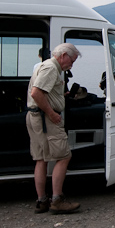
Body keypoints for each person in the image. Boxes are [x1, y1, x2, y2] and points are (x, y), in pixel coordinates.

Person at [26, 42, 82, 214]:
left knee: (41, 159)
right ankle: (57, 200)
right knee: (64, 156)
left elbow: (43, 91)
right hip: (46, 120)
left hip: (34, 117)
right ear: (63, 55)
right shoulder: (51, 68)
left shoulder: (45, 66)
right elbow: (36, 93)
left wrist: (59, 95)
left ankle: (42, 200)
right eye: (71, 61)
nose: (71, 65)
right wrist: (51, 113)